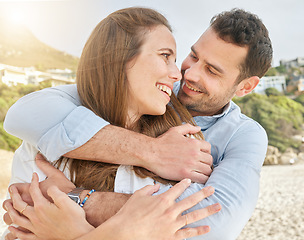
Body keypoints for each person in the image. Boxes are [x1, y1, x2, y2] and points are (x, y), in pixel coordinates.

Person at [3, 8, 272, 240]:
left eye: (212, 70)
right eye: (192, 55)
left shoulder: (243, 135)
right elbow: (24, 114)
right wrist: (153, 152)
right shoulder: (145, 91)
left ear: (246, 87)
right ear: (120, 60)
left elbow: (207, 224)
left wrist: (76, 200)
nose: (186, 73)